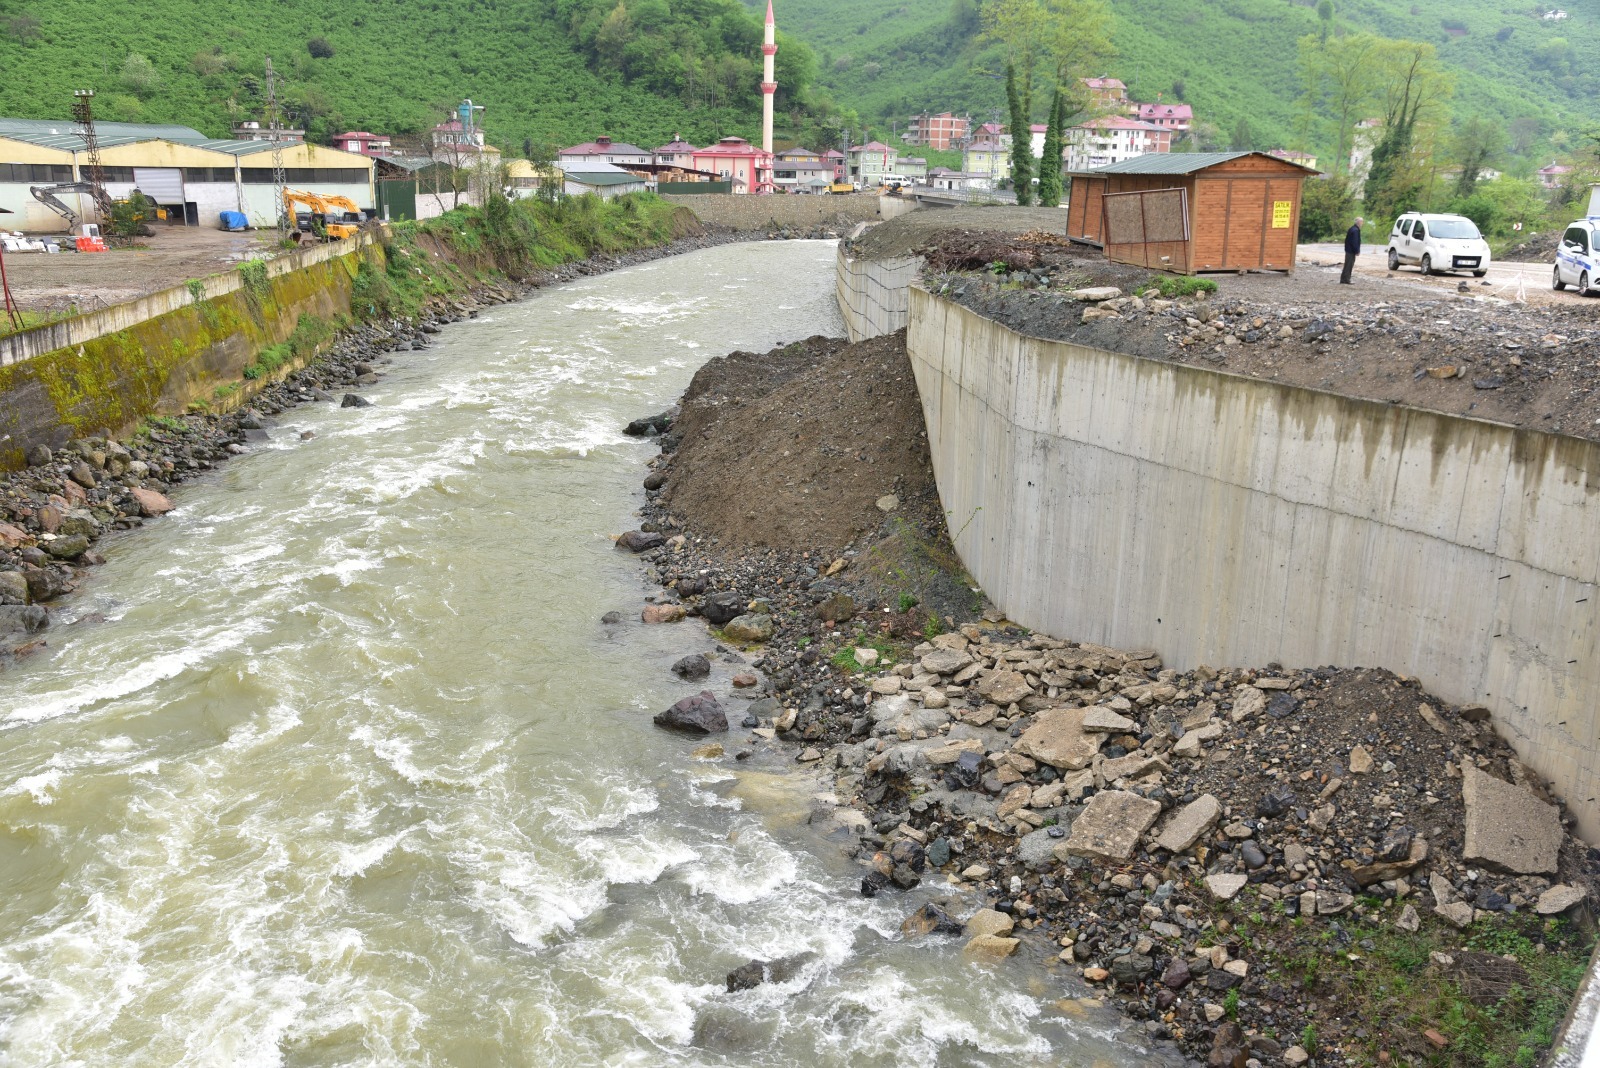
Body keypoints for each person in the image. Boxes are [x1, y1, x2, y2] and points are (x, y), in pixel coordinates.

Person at [1340, 217, 1364, 284]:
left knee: (1347, 265)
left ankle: (1343, 279)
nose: (1362, 223)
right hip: (1351, 251)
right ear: (1358, 222)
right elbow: (1355, 242)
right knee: (1349, 265)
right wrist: (1357, 250)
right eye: (1361, 222)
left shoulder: (1352, 228)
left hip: (1348, 249)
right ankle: (1347, 279)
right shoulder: (1355, 230)